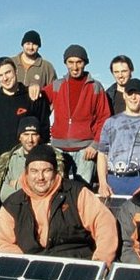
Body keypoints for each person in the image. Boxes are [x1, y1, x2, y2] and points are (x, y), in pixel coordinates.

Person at [0, 144, 118, 263]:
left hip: (77, 263)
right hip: (32, 267)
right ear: (26, 173)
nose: (40, 177)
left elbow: (104, 224)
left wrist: (100, 263)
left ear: (55, 171)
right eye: (34, 171)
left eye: (46, 171)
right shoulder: (13, 205)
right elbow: (5, 243)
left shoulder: (76, 193)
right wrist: (24, 266)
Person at [42, 44, 111, 184]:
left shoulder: (95, 87)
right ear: (65, 63)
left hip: (85, 150)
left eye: (79, 62)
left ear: (85, 63)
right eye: (70, 62)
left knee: (82, 189)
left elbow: (104, 118)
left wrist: (95, 144)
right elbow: (38, 100)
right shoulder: (57, 85)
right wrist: (34, 88)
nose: (75, 67)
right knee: (58, 188)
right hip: (58, 148)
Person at [96, 78, 140, 198]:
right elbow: (102, 154)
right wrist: (103, 183)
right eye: (130, 93)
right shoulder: (111, 123)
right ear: (124, 95)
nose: (133, 97)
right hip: (114, 182)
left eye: (137, 94)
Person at [0, 117, 71, 210]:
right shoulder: (8, 159)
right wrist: (33, 190)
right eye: (26, 134)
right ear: (20, 137)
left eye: (34, 134)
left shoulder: (53, 158)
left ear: (39, 137)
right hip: (14, 210)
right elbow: (3, 194)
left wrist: (18, 184)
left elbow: (53, 190)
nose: (30, 139)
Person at [0, 56, 51, 161]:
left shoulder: (33, 97)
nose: (5, 78)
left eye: (8, 72)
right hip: (0, 162)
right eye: (0, 75)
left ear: (16, 71)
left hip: (29, 161)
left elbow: (44, 131)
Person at [105, 55, 140, 123]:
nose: (120, 75)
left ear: (131, 70)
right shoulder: (107, 97)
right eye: (116, 72)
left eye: (124, 71)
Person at [12, 29, 58, 99]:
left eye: (34, 44)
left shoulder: (47, 67)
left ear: (39, 46)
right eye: (28, 44)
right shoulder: (11, 63)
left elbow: (54, 92)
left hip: (37, 105)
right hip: (11, 104)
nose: (31, 47)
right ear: (22, 45)